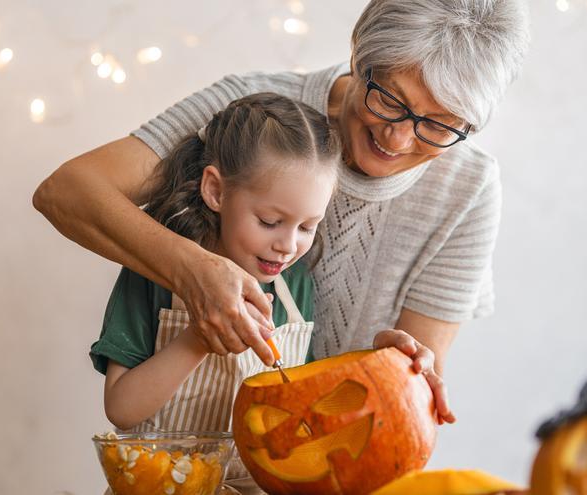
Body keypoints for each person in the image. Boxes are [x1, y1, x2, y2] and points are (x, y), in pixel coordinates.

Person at [35, 0, 530, 426]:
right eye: (391, 101)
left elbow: (409, 402)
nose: (398, 139)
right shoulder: (254, 115)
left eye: (439, 126)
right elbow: (67, 191)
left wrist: (398, 364)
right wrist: (193, 273)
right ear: (361, 57)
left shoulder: (469, 190)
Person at [89, 93, 339, 487]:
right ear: (216, 191)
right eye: (270, 220)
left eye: (307, 227)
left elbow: (298, 413)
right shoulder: (154, 274)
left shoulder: (296, 287)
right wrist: (200, 337)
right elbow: (121, 409)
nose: (288, 245)